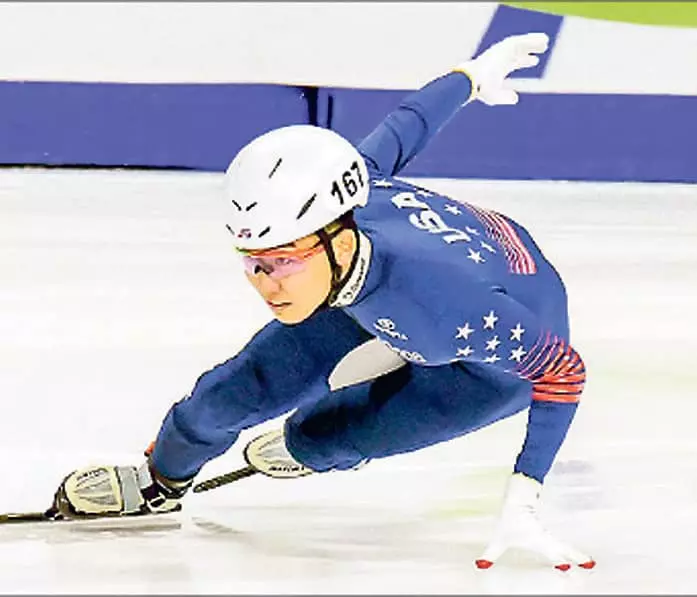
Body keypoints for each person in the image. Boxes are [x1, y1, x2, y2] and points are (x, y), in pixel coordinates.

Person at [49, 32, 595, 570]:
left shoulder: (443, 310)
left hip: (494, 360)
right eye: (252, 261)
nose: (266, 284)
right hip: (398, 282)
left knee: (326, 437)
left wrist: (525, 493)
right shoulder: (352, 189)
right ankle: (159, 483)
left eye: (282, 260)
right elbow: (407, 126)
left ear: (335, 236)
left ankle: (315, 444)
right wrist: (470, 77)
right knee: (231, 395)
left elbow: (563, 371)